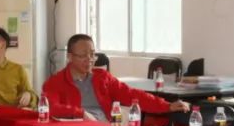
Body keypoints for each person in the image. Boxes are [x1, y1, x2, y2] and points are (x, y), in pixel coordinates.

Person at [42, 35, 189, 120]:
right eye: (83, 56)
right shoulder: (55, 82)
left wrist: (166, 105)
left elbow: (131, 95)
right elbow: (49, 107)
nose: (90, 59)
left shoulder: (102, 78)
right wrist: (81, 113)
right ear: (69, 57)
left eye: (92, 54)